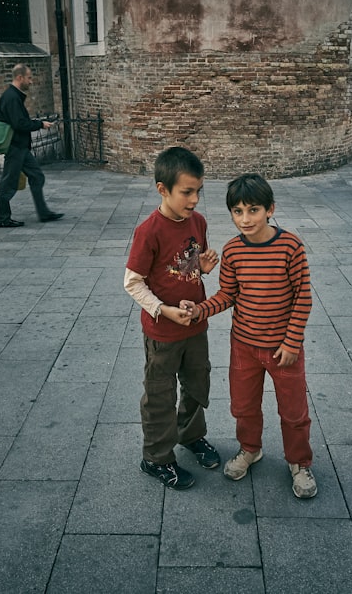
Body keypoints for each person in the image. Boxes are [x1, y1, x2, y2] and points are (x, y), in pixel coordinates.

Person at [184, 173, 317, 499]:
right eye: (238, 211)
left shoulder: (290, 246)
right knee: (243, 406)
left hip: (284, 349)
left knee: (294, 411)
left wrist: (291, 342)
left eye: (253, 210)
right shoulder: (232, 251)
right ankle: (250, 448)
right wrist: (199, 309)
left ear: (270, 209)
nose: (245, 218)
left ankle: (299, 462)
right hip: (243, 346)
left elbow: (303, 297)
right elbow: (227, 295)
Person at [124, 146, 222, 490]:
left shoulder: (198, 222)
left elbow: (185, 267)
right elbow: (132, 283)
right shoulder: (148, 231)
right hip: (162, 331)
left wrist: (203, 268)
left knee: (197, 384)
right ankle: (156, 457)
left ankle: (190, 435)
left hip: (195, 324)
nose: (194, 199)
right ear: (162, 189)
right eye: (186, 192)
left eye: (198, 191)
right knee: (160, 394)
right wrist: (162, 310)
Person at [0, 64, 63, 227]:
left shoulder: (14, 96)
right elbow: (19, 124)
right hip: (15, 147)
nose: (31, 81)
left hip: (21, 147)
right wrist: (40, 124)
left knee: (37, 176)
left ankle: (44, 213)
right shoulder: (11, 97)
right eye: (29, 78)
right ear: (20, 77)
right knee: (9, 183)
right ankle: (3, 219)